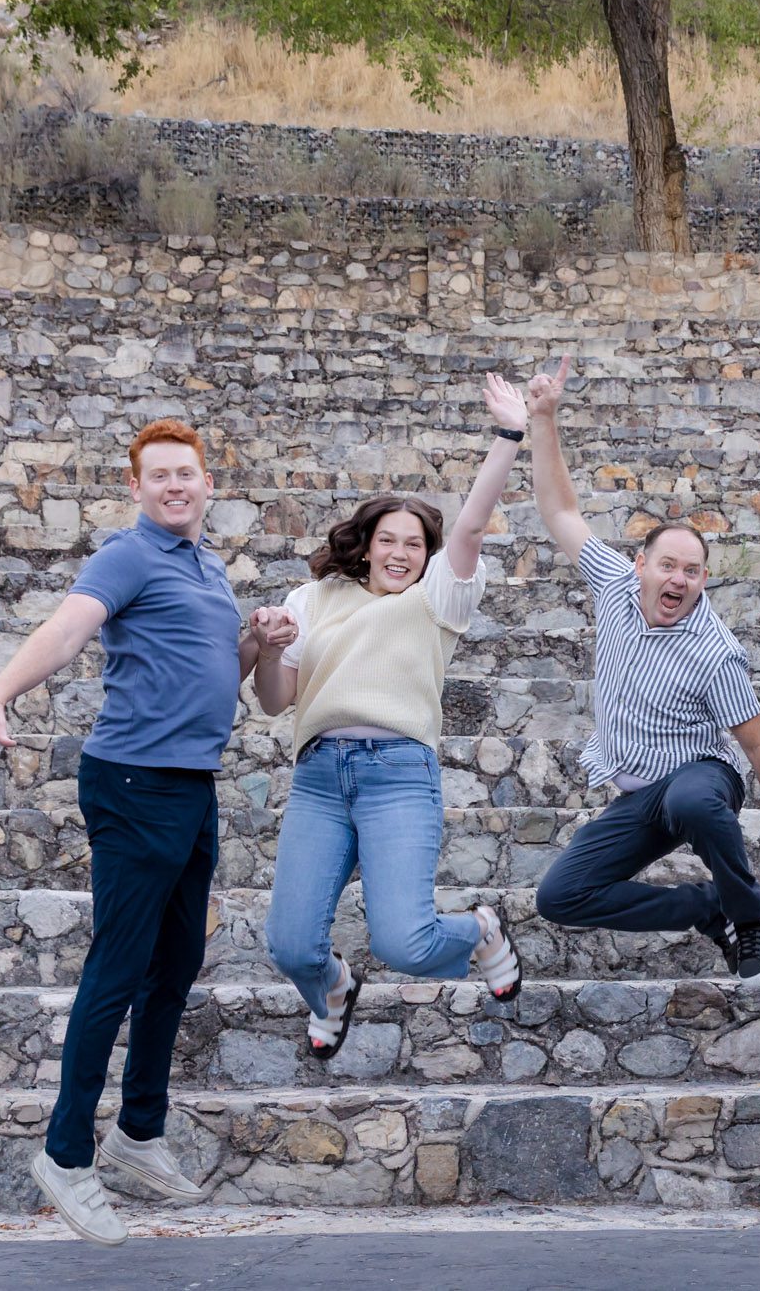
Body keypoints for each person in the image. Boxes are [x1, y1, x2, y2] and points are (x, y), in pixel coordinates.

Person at [0, 418, 261, 1247]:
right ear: (137, 488)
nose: (176, 486)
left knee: (177, 962)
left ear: (208, 483)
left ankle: (139, 1133)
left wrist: (257, 640)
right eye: (160, 477)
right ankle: (66, 1157)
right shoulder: (127, 555)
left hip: (191, 785)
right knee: (117, 967)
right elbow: (68, 630)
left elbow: (218, 673)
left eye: (188, 473)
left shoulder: (209, 568)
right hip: (134, 783)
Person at [247, 375, 528, 1063]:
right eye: (389, 540)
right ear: (366, 544)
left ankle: (482, 930)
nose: (402, 552)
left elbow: (468, 524)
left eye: (415, 543)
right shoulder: (313, 598)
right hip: (319, 777)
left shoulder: (439, 600)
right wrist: (266, 646)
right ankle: (335, 989)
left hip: (397, 775)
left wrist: (508, 437)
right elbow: (276, 700)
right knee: (289, 945)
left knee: (405, 943)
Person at [525, 357, 760, 982]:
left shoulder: (712, 652)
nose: (678, 580)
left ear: (703, 579)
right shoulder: (612, 585)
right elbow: (560, 512)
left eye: (691, 571)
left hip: (701, 782)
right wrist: (544, 418)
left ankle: (749, 914)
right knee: (561, 896)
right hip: (638, 793)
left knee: (693, 794)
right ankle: (704, 907)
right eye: (668, 566)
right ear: (640, 564)